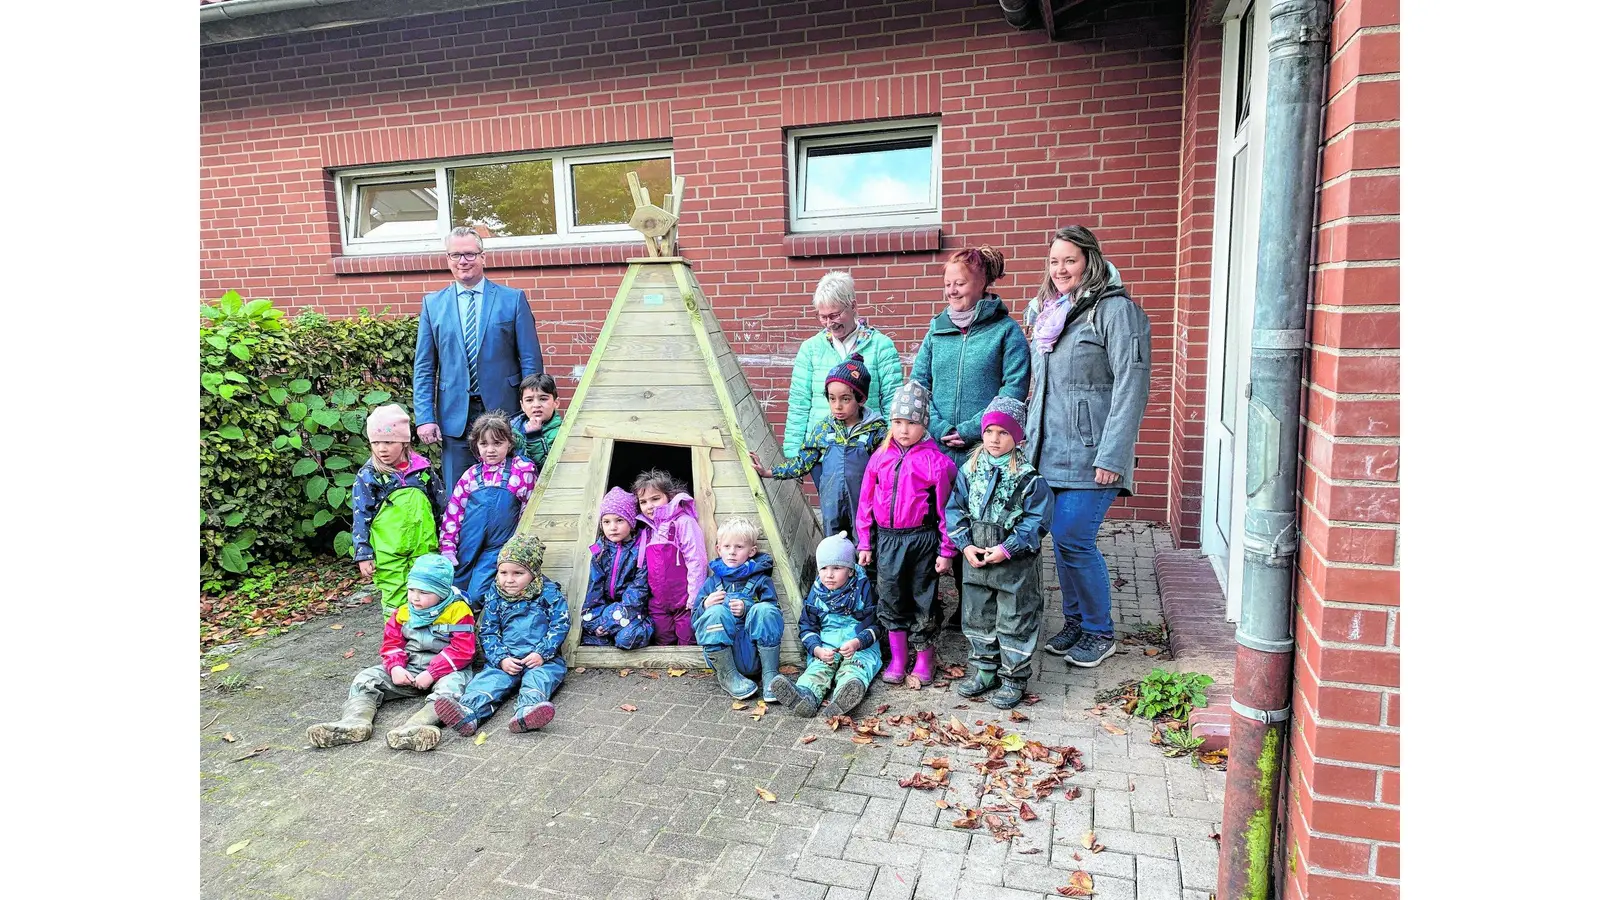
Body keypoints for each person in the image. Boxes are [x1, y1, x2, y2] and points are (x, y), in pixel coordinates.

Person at [1024, 225, 1152, 668]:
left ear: (1090, 261)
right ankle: (1077, 622)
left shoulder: (1116, 312)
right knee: (1062, 543)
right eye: (1055, 261)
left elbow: (1132, 387)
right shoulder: (1052, 313)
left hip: (1092, 453)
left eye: (1070, 260)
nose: (1061, 269)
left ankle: (1100, 631)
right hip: (1050, 453)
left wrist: (1113, 456)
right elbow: (1041, 389)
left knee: (1074, 538)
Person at [413, 226, 544, 492]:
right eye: (456, 255)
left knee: (510, 489)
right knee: (457, 492)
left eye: (470, 254)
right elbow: (425, 367)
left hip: (506, 412)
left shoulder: (512, 299)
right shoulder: (433, 304)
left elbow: (531, 361)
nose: (463, 261)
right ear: (448, 260)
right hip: (455, 416)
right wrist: (425, 417)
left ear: (483, 256)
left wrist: (533, 406)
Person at [306, 554, 476, 752]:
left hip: (446, 670)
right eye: (411, 589)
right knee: (367, 678)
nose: (415, 597)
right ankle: (355, 721)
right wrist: (395, 667)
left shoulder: (458, 611)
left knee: (451, 687)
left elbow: (463, 650)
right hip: (411, 670)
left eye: (424, 592)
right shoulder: (403, 611)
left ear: (442, 592)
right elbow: (391, 644)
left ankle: (415, 727)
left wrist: (432, 673)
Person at [945, 397, 1053, 709]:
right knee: (978, 616)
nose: (994, 438)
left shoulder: (1029, 478)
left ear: (1017, 437)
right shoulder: (970, 468)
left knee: (1014, 619)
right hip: (976, 558)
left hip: (1014, 564)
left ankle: (1013, 678)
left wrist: (1009, 548)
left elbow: (1038, 520)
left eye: (1003, 433)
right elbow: (954, 508)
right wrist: (964, 544)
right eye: (989, 431)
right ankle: (985, 670)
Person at [854, 381, 957, 688]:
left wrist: (946, 551)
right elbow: (866, 501)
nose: (903, 429)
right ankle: (898, 657)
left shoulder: (937, 463)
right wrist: (865, 541)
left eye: (911, 423)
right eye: (897, 422)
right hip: (887, 540)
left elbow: (946, 512)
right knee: (890, 595)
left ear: (923, 423)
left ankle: (925, 656)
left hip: (921, 541)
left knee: (922, 597)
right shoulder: (881, 456)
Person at [434, 534, 569, 735]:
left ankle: (527, 712)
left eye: (518, 573)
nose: (509, 580)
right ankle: (468, 713)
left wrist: (542, 653)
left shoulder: (548, 593)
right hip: (506, 658)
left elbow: (560, 624)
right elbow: (488, 630)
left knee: (539, 680)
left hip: (541, 659)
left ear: (533, 572)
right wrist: (501, 658)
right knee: (490, 680)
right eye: (503, 572)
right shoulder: (495, 595)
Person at [909, 246, 1031, 462]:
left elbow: (1013, 390)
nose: (952, 291)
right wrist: (939, 427)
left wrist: (972, 429)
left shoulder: (1006, 330)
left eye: (960, 284)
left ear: (982, 283)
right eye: (948, 284)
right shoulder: (936, 331)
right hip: (936, 453)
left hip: (986, 454)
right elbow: (918, 385)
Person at [752, 353, 887, 537]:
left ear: (861, 399)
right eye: (832, 399)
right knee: (833, 546)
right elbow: (803, 461)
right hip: (832, 506)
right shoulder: (824, 429)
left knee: (865, 543)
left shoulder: (876, 431)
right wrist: (770, 472)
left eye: (845, 399)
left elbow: (887, 471)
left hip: (864, 505)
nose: (837, 406)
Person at [782, 271, 903, 462]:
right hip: (823, 454)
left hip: (868, 453)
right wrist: (793, 453)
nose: (829, 324)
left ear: (853, 306)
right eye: (823, 317)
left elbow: (892, 402)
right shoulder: (810, 349)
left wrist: (892, 450)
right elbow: (799, 403)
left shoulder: (881, 346)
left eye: (835, 315)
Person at [767, 531, 882, 718]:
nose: (829, 575)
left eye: (837, 568)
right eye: (824, 569)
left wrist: (858, 642)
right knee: (818, 668)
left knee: (856, 666)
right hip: (827, 644)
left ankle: (845, 694)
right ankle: (805, 695)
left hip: (858, 644)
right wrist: (817, 650)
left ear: (851, 570)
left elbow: (876, 625)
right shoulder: (816, 593)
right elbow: (807, 626)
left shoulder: (863, 590)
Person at [437, 412, 539, 609]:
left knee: (477, 594)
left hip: (498, 547)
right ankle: (458, 634)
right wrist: (448, 547)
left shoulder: (522, 470)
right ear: (476, 446)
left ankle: (484, 628)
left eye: (497, 443)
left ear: (509, 443)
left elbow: (529, 511)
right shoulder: (470, 476)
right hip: (468, 546)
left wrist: (518, 546)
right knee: (455, 591)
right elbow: (454, 513)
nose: (490, 450)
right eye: (484, 444)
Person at [350, 404, 445, 617]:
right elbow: (360, 516)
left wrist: (446, 538)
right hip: (388, 553)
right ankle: (397, 643)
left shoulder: (422, 471)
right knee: (394, 597)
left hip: (424, 547)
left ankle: (426, 639)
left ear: (404, 442)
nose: (381, 448)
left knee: (427, 591)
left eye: (388, 442)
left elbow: (440, 505)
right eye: (376, 443)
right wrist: (363, 553)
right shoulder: (369, 476)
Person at [691, 516, 783, 701]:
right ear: (719, 549)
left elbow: (774, 613)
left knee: (764, 610)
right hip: (725, 656)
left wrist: (747, 608)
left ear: (751, 551)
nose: (732, 552)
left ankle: (770, 675)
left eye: (739, 547)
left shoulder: (761, 580)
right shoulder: (712, 583)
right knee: (715, 611)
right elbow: (694, 621)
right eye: (727, 547)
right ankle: (728, 677)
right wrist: (705, 606)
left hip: (755, 653)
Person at [634, 470, 707, 646]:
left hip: (684, 600)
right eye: (643, 502)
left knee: (688, 640)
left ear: (669, 495)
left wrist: (695, 596)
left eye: (655, 498)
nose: (649, 506)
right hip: (658, 602)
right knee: (662, 641)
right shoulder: (646, 531)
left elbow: (696, 560)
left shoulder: (683, 523)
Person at [580, 487, 655, 649]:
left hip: (633, 609)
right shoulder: (599, 550)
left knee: (626, 639)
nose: (612, 527)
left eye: (619, 520)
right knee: (591, 634)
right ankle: (607, 629)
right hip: (606, 607)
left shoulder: (641, 549)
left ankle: (644, 628)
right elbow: (594, 586)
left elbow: (639, 590)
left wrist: (611, 619)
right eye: (606, 522)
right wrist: (595, 620)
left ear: (631, 521)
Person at [509, 373, 564, 473]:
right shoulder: (511, 429)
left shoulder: (562, 432)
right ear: (522, 405)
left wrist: (534, 437)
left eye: (543, 399)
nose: (536, 405)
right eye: (529, 400)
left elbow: (547, 470)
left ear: (556, 403)